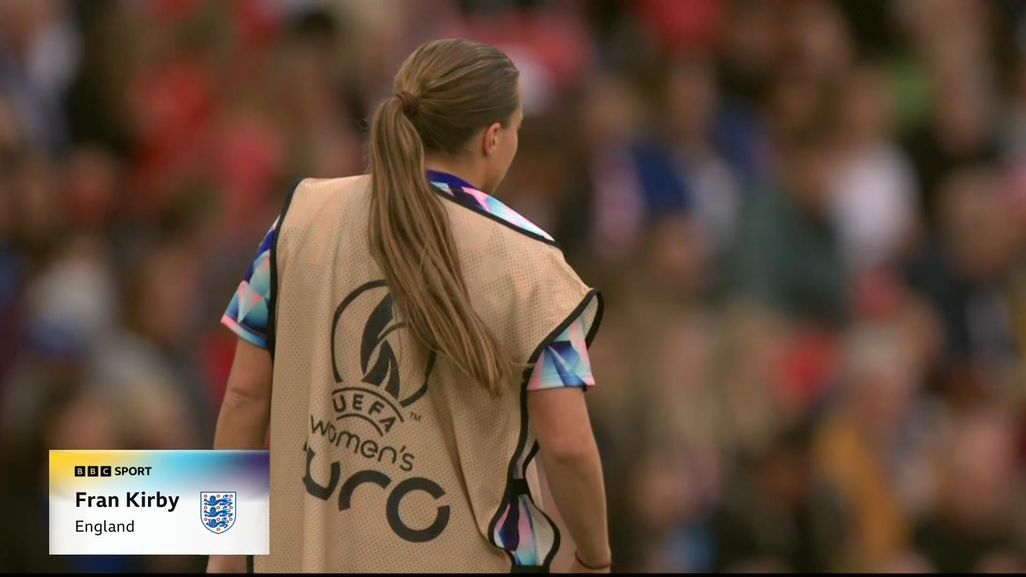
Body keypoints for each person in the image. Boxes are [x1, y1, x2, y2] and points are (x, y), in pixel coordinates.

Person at [206, 38, 610, 573]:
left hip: (299, 558)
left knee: (102, 494)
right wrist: (595, 558)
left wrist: (224, 548)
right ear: (493, 138)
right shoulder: (534, 267)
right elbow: (567, 445)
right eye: (517, 128)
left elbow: (243, 398)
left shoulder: (302, 216)